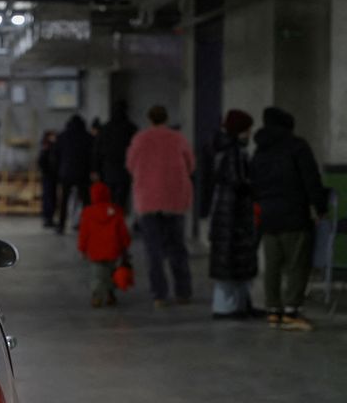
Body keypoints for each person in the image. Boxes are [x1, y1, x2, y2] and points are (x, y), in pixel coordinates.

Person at [250, 107, 328, 331]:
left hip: (268, 215)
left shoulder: (259, 151)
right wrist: (320, 207)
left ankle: (273, 311)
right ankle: (292, 312)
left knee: (273, 264)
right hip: (294, 213)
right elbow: (310, 178)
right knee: (296, 264)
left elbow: (253, 183)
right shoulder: (297, 146)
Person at [126, 105, 195, 307]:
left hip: (148, 200)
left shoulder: (140, 139)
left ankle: (159, 295)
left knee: (153, 250)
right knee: (177, 248)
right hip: (175, 199)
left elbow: (130, 165)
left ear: (149, 118)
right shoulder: (178, 138)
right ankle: (183, 292)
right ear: (166, 118)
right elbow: (191, 165)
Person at [208, 109, 262, 320]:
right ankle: (226, 308)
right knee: (231, 263)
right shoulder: (233, 153)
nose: (249, 133)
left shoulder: (226, 150)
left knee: (235, 262)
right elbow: (238, 182)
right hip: (232, 215)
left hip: (229, 214)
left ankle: (239, 304)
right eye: (247, 129)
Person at [78, 181, 131, 307]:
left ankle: (97, 296)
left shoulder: (88, 213)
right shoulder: (116, 211)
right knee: (111, 272)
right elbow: (122, 232)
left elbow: (84, 234)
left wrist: (82, 249)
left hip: (95, 252)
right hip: (113, 250)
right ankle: (110, 294)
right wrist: (125, 245)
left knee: (97, 275)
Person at [93, 100, 138, 212]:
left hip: (108, 170)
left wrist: (95, 169)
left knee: (109, 199)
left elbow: (97, 151)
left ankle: (110, 222)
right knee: (121, 200)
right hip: (125, 170)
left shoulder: (105, 128)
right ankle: (118, 222)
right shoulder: (131, 128)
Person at [54, 114, 94, 235]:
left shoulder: (62, 136)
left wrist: (58, 172)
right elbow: (92, 156)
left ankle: (61, 226)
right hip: (83, 173)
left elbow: (55, 156)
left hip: (66, 172)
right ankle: (90, 226)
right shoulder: (88, 137)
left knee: (64, 201)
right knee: (86, 202)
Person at [37, 130, 59, 227]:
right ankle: (48, 219)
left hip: (51, 176)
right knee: (49, 198)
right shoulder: (47, 147)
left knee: (51, 197)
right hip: (49, 176)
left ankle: (49, 218)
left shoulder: (51, 147)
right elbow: (42, 161)